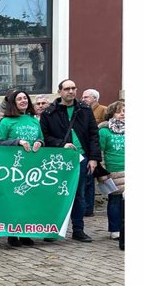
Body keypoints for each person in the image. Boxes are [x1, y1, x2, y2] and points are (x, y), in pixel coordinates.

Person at [40, 79, 101, 242]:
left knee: (79, 195)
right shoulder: (49, 113)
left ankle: (78, 229)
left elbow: (93, 134)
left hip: (81, 158)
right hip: (58, 160)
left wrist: (94, 157)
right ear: (60, 91)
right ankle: (52, 230)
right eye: (67, 89)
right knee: (56, 195)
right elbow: (45, 137)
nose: (71, 91)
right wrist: (61, 144)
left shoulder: (85, 109)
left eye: (74, 88)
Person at [0, 89, 44, 247]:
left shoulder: (34, 120)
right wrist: (17, 142)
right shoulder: (6, 122)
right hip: (13, 167)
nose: (23, 101)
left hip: (31, 166)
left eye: (25, 98)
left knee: (28, 200)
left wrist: (40, 143)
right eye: (19, 99)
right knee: (13, 200)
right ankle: (12, 234)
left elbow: (41, 138)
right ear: (13, 103)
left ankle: (25, 233)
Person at [97, 100, 125, 241]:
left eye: (125, 111)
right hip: (113, 170)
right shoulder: (104, 131)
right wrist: (102, 171)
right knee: (115, 200)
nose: (123, 114)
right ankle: (115, 229)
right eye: (119, 111)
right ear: (111, 113)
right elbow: (100, 152)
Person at [80, 89, 107, 216]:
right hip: (86, 147)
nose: (83, 99)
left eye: (86, 97)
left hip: (95, 148)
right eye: (83, 97)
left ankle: (88, 208)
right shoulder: (81, 110)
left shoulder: (103, 109)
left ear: (95, 98)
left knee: (90, 181)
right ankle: (85, 208)